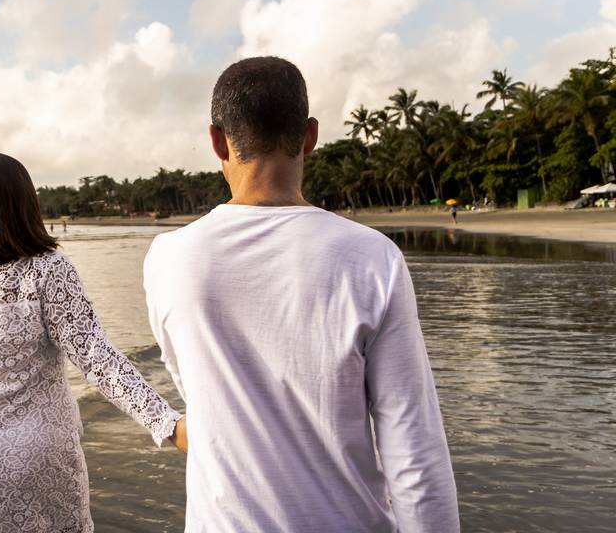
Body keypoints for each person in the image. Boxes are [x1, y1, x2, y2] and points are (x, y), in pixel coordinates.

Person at [143, 56, 459, 532]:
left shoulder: (168, 259)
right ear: (310, 135)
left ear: (216, 141)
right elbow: (414, 449)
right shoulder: (372, 259)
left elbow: (197, 394)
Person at [0, 152, 186, 532]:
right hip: (36, 459)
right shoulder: (48, 270)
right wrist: (167, 422)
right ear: (26, 205)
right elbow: (97, 359)